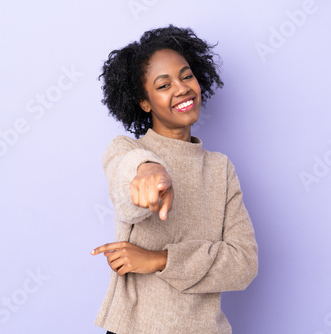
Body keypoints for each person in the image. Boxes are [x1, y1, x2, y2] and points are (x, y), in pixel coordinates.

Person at [91, 25, 258, 334]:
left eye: (185, 76)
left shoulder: (221, 168)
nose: (182, 89)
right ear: (144, 102)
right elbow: (128, 191)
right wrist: (147, 172)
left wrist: (159, 260)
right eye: (163, 85)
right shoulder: (129, 151)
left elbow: (243, 264)